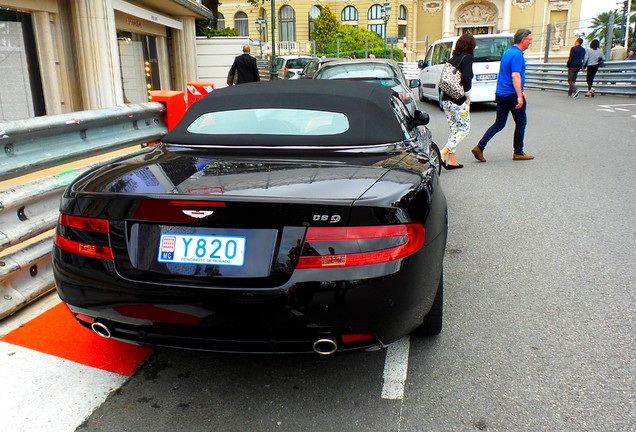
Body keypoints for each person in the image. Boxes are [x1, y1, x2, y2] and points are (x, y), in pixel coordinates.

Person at [471, 28, 534, 162]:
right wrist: (519, 96)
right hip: (511, 94)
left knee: (499, 124)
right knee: (521, 122)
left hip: (501, 93)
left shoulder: (507, 52)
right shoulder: (517, 55)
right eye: (530, 39)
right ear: (523, 40)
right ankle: (518, 152)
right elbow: (515, 75)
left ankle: (480, 147)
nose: (530, 42)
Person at [439, 33, 476, 170]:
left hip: (446, 99)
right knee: (464, 129)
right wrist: (467, 95)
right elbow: (466, 78)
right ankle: (443, 151)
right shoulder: (467, 58)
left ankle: (452, 160)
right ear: (471, 45)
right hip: (458, 100)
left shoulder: (453, 58)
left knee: (454, 129)